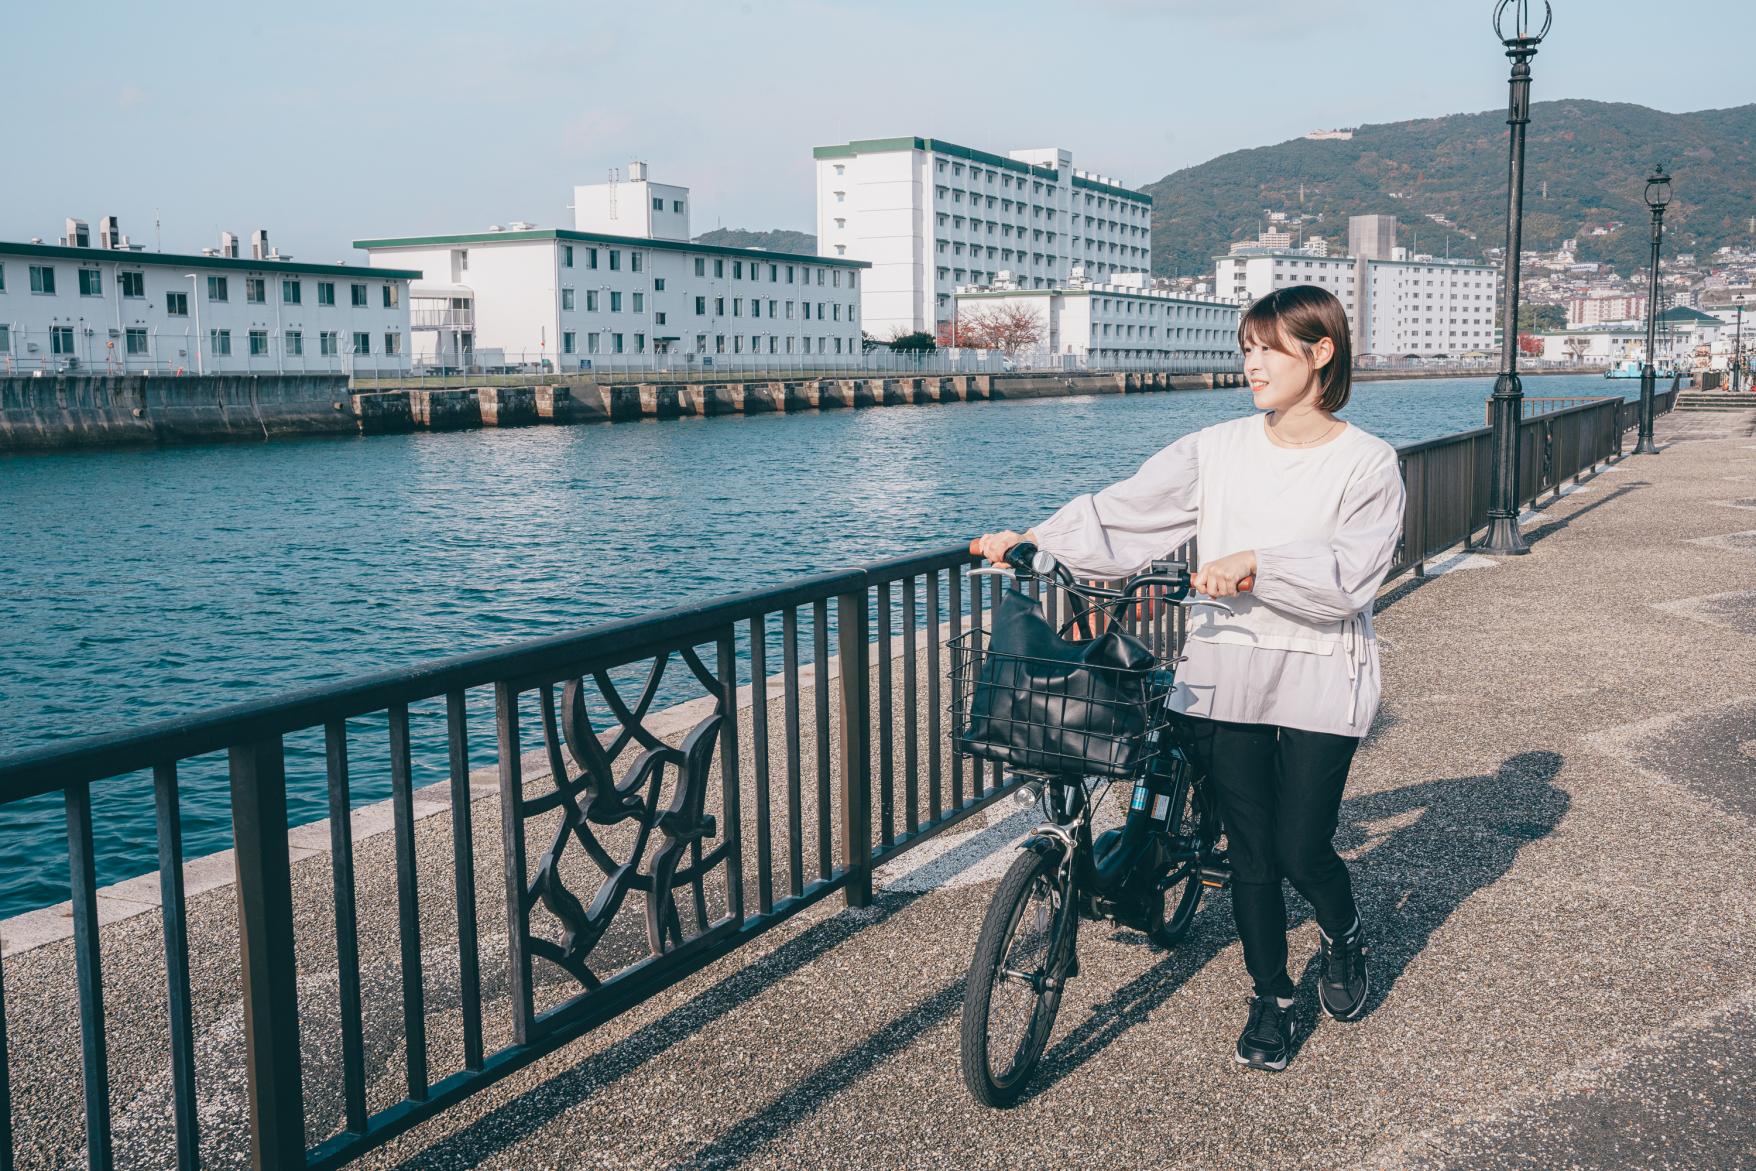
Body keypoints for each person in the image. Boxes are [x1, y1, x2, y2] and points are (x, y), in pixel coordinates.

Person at [971, 284, 1405, 1072]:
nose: (1252, 364)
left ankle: (1343, 936)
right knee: (1249, 852)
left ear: (1321, 353)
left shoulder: (1367, 462)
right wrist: (1036, 538)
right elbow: (1129, 511)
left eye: (1269, 347)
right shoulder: (1219, 447)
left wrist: (1257, 564)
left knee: (1302, 850)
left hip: (1317, 675)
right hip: (1225, 673)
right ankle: (1272, 996)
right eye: (1247, 348)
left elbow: (1351, 577)